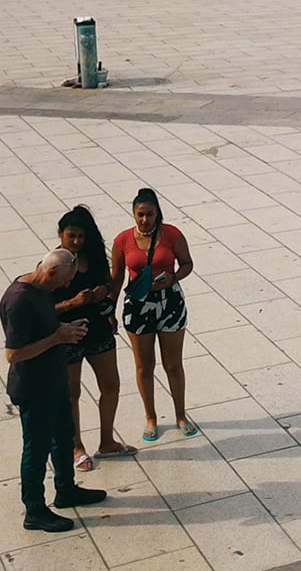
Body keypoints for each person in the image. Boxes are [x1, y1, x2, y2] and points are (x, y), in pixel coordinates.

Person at [0, 248, 107, 532]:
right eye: (64, 281)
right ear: (50, 272)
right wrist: (57, 337)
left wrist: (65, 327)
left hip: (54, 381)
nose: (66, 287)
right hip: (34, 389)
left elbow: (44, 325)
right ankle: (34, 510)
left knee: (63, 436)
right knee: (36, 449)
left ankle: (66, 489)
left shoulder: (42, 289)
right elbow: (13, 353)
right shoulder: (19, 301)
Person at [53, 206, 136, 472]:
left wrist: (105, 293)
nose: (76, 241)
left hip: (98, 329)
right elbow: (42, 307)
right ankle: (76, 447)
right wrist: (71, 303)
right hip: (68, 334)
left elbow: (110, 283)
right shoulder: (54, 264)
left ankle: (107, 442)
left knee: (111, 385)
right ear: (61, 234)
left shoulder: (96, 257)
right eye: (71, 236)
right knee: (71, 393)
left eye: (81, 236)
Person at [111, 188, 197, 441]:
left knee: (173, 364)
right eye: (140, 214)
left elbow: (187, 263)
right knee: (144, 366)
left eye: (149, 214)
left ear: (158, 213)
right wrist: (109, 309)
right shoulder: (122, 241)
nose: (145, 220)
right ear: (133, 214)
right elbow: (116, 277)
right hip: (137, 307)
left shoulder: (172, 235)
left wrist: (173, 278)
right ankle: (151, 416)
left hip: (170, 303)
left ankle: (181, 414)